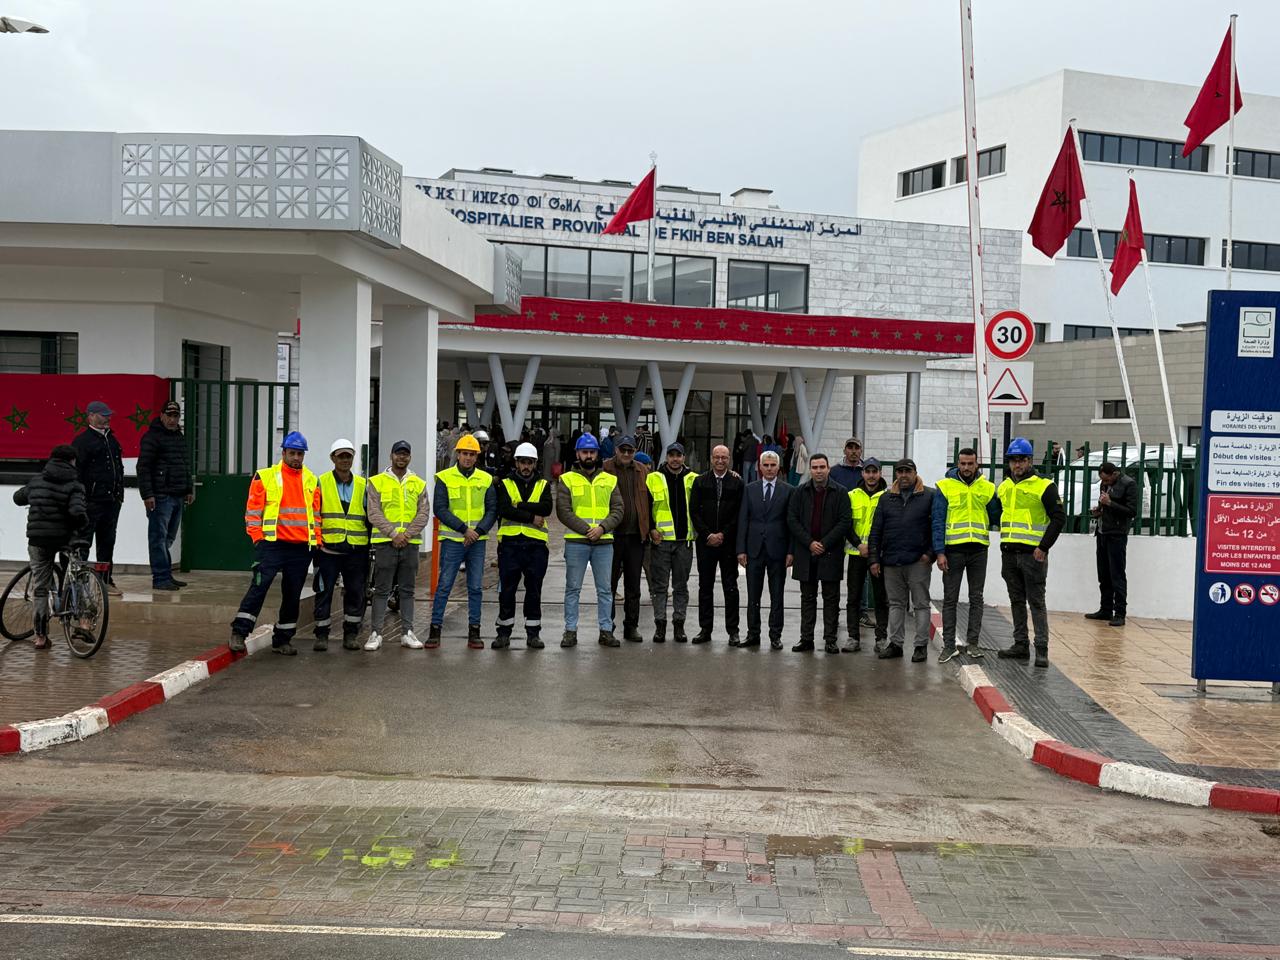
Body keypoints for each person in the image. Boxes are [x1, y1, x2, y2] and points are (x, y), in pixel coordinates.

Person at [231, 431, 322, 656]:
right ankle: (239, 632)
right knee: (259, 588)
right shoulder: (265, 476)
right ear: (283, 453)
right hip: (272, 545)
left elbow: (316, 515)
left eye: (300, 454)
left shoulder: (312, 480)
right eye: (292, 453)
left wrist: (316, 541)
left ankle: (282, 640)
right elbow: (253, 511)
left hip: (301, 548)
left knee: (292, 595)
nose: (296, 458)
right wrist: (257, 538)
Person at [996, 438, 1067, 668]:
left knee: (1036, 602)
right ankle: (1020, 645)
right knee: (1016, 601)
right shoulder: (1004, 486)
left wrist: (1044, 547)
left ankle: (1042, 649)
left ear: (1029, 461)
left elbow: (1059, 518)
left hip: (1033, 555)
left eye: (1022, 460)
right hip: (1009, 553)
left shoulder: (1044, 486)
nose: (1017, 464)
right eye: (1013, 460)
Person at [12, 444, 88, 650]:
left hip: (38, 540)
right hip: (63, 539)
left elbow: (18, 498)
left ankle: (40, 637)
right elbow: (77, 513)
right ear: (72, 461)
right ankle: (82, 621)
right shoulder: (74, 485)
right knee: (77, 574)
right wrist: (82, 525)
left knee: (40, 588)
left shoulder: (37, 481)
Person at [429, 434, 496, 649]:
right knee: (444, 586)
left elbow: (492, 509)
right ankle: (435, 630)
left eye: (472, 454)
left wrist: (478, 531)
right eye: (465, 453)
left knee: (475, 587)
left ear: (477, 457)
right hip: (453, 540)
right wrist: (464, 530)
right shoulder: (444, 478)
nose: (468, 458)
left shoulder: (486, 479)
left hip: (477, 541)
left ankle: (474, 632)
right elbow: (440, 509)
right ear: (457, 454)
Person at [868, 458, 938, 663]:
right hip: (891, 561)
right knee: (896, 604)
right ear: (896, 474)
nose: (904, 475)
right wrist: (874, 559)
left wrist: (930, 554)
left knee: (921, 604)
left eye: (908, 471)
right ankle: (896, 644)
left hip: (918, 561)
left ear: (915, 473)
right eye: (900, 472)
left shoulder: (929, 496)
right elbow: (876, 531)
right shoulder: (886, 498)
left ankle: (920, 646)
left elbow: (937, 527)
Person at [556, 433, 623, 648]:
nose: (588, 456)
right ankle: (570, 631)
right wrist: (588, 530)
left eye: (592, 452)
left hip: (603, 542)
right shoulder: (566, 479)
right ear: (577, 454)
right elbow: (563, 511)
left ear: (597, 454)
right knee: (573, 589)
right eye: (584, 452)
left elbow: (618, 509)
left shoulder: (610, 480)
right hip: (577, 541)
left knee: (605, 590)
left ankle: (606, 630)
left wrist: (602, 528)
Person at [934, 448, 1000, 662]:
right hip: (953, 551)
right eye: (962, 463)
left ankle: (973, 644)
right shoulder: (945, 486)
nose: (966, 467)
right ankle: (949, 646)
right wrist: (939, 552)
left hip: (979, 550)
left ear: (976, 464)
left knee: (976, 598)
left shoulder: (987, 487)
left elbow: (996, 516)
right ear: (957, 464)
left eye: (970, 463)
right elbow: (937, 521)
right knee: (950, 599)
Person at [367, 440, 431, 650]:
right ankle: (376, 634)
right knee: (381, 590)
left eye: (405, 454)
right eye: (398, 453)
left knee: (407, 590)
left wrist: (406, 535)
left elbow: (423, 513)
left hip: (410, 545)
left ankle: (407, 632)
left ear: (410, 457)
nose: (401, 457)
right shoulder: (376, 482)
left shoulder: (418, 483)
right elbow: (373, 513)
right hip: (385, 543)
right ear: (391, 455)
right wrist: (394, 534)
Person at [786, 453, 851, 653]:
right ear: (810, 470)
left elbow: (844, 521)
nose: (818, 471)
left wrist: (823, 543)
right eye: (814, 467)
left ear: (828, 468)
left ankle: (830, 639)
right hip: (806, 553)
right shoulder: (800, 491)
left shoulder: (840, 492)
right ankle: (806, 639)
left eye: (822, 467)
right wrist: (809, 543)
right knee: (807, 598)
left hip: (830, 552)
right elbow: (792, 519)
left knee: (831, 599)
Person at [493, 442, 553, 649]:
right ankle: (503, 633)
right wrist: (530, 516)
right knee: (507, 591)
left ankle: (533, 634)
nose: (526, 466)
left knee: (534, 590)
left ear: (535, 464)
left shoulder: (543, 484)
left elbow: (546, 508)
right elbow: (504, 509)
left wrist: (518, 505)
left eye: (530, 462)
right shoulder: (505, 484)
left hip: (536, 546)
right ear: (516, 463)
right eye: (523, 462)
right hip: (510, 545)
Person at [312, 438, 369, 652]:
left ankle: (351, 634)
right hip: (328, 549)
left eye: (348, 456)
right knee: (324, 592)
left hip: (356, 549)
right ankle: (321, 635)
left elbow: (370, 516)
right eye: (341, 456)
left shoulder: (363, 484)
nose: (345, 460)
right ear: (332, 458)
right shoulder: (322, 482)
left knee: (355, 592)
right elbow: (314, 514)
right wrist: (317, 542)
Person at [736, 449, 793, 649]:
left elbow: (791, 523)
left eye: (773, 465)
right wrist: (740, 549)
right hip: (754, 550)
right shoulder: (749, 489)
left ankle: (775, 635)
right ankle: (753, 634)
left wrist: (791, 551)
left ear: (778, 467)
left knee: (777, 596)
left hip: (778, 550)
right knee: (753, 595)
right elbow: (743, 519)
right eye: (766, 465)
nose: (769, 469)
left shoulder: (788, 490)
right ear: (760, 467)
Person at [689, 444, 744, 645]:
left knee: (731, 587)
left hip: (728, 543)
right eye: (717, 457)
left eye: (724, 457)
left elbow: (739, 513)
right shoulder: (700, 481)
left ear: (729, 459)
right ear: (711, 459)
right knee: (705, 586)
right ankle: (705, 629)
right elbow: (694, 511)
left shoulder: (737, 482)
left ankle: (733, 631)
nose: (720, 461)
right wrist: (708, 535)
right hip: (706, 543)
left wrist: (723, 534)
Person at [137, 399, 194, 591]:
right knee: (158, 538)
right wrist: (147, 495)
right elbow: (143, 467)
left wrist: (188, 489)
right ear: (161, 415)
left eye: (175, 416)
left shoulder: (178, 436)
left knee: (168, 538)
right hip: (160, 496)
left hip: (177, 495)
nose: (172, 420)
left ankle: (166, 575)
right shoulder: (152, 437)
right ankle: (160, 577)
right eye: (169, 416)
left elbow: (185, 464)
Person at [71, 400, 124, 594]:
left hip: (111, 501)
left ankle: (105, 580)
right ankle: (79, 583)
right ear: (91, 416)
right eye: (103, 415)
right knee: (83, 542)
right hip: (90, 503)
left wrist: (119, 495)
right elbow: (76, 473)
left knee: (107, 543)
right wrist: (81, 499)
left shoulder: (112, 439)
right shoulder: (82, 442)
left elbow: (118, 468)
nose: (107, 418)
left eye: (108, 415)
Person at [602, 434, 651, 642]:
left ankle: (631, 626)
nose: (626, 453)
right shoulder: (605, 468)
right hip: (611, 536)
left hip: (635, 536)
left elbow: (650, 500)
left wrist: (649, 529)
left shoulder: (642, 470)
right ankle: (607, 626)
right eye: (623, 449)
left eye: (630, 450)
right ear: (616, 450)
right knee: (609, 585)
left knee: (633, 586)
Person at [646, 441, 696, 643]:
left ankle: (679, 625)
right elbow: (646, 506)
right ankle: (660, 626)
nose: (675, 459)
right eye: (671, 455)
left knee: (680, 587)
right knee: (660, 587)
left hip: (684, 542)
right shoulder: (653, 478)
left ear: (684, 457)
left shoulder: (694, 479)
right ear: (666, 457)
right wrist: (651, 529)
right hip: (661, 542)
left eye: (678, 455)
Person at [843, 457, 888, 653]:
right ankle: (853, 637)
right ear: (862, 473)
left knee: (881, 598)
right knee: (853, 597)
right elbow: (846, 524)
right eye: (868, 472)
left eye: (874, 472)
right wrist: (858, 544)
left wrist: (875, 549)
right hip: (856, 553)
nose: (871, 476)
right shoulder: (852, 495)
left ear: (880, 473)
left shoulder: (888, 497)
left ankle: (881, 638)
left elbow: (890, 526)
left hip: (879, 556)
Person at [1086, 461, 1137, 628]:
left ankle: (1120, 613)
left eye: (1107, 480)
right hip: (1102, 532)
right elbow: (1104, 504)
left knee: (1117, 575)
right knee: (1104, 574)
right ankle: (1105, 609)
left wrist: (1110, 503)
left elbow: (1131, 511)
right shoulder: (1105, 483)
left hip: (1117, 534)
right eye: (1103, 480)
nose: (1105, 483)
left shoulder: (1128, 484)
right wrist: (1099, 510)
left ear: (1115, 474)